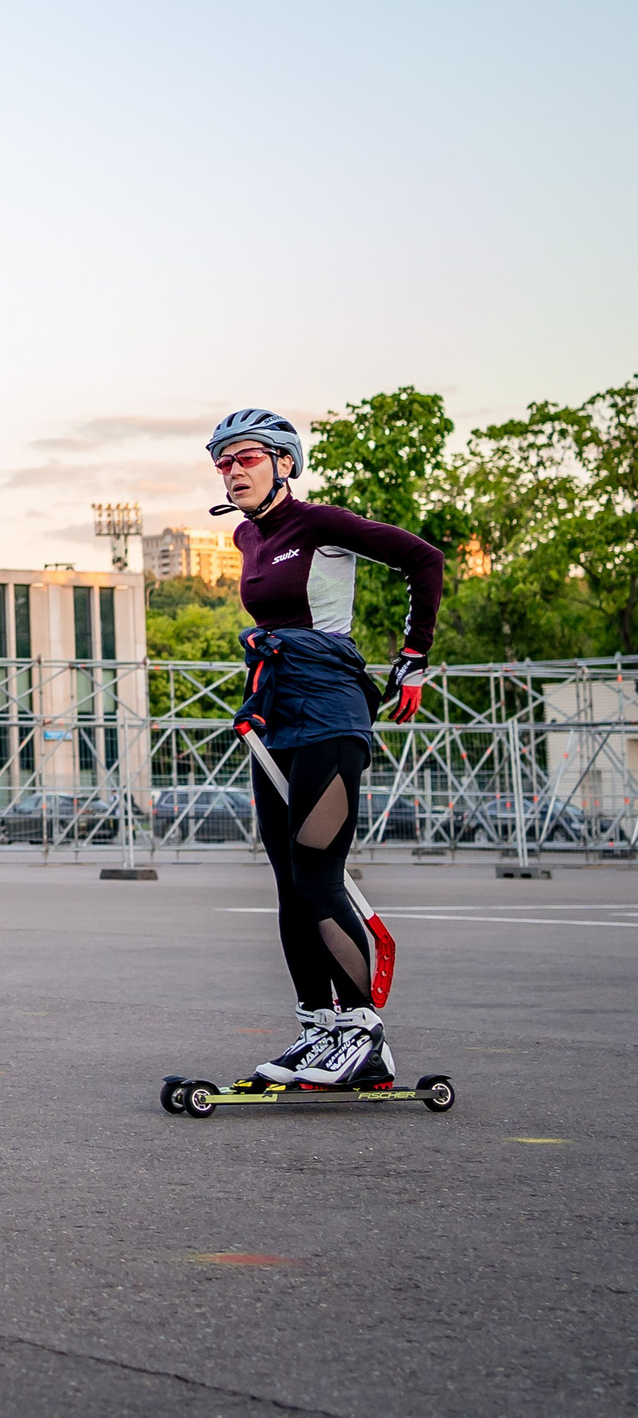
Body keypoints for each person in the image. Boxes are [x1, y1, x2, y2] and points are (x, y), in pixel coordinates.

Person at [208, 408, 442, 1089]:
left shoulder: (321, 522)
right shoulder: (246, 537)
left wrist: (414, 657)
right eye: (223, 462)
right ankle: (318, 1028)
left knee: (319, 874)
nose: (232, 471)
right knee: (287, 883)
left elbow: (423, 558)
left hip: (331, 712)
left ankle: (364, 1033)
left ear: (284, 461)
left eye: (245, 457)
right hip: (276, 712)